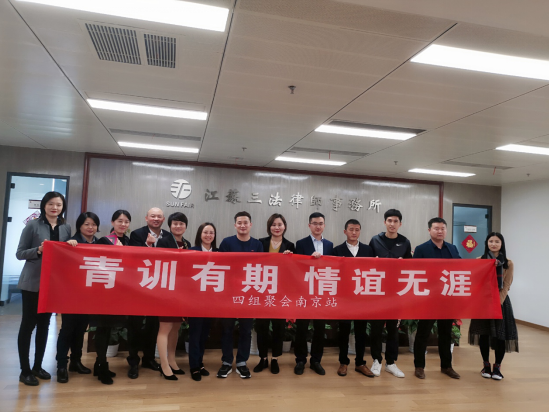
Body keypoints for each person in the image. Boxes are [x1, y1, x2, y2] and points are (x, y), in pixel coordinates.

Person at [16, 192, 72, 386]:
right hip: (32, 283)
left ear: (63, 207)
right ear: (44, 206)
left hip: (52, 284)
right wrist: (38, 250)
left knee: (44, 325)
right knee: (28, 325)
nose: (55, 208)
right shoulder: (32, 225)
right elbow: (19, 253)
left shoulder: (66, 227)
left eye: (58, 204)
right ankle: (25, 370)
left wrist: (71, 246)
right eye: (51, 204)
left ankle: (37, 366)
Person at [412, 217, 461, 380]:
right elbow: (415, 272)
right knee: (423, 333)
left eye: (442, 228)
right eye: (436, 228)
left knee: (445, 333)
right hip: (428, 298)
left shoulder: (452, 249)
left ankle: (447, 366)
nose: (440, 231)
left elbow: (462, 268)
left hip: (447, 298)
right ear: (429, 230)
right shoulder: (421, 249)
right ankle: (419, 366)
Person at [217, 211, 263, 379]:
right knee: (227, 329)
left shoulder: (257, 244)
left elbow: (261, 268)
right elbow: (220, 266)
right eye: (239, 222)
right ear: (235, 225)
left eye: (245, 222)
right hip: (229, 293)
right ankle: (227, 362)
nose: (242, 225)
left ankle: (242, 362)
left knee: (246, 330)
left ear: (250, 225)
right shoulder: (226, 242)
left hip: (249, 294)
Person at [56, 212, 100, 383]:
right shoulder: (72, 242)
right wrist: (68, 246)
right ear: (79, 226)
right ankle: (61, 365)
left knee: (81, 329)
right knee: (67, 329)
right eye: (86, 224)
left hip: (89, 295)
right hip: (71, 294)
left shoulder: (99, 244)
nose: (90, 228)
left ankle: (76, 361)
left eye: (93, 224)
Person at [368, 209, 412, 379]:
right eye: (389, 220)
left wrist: (403, 264)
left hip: (396, 292)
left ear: (400, 224)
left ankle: (391, 363)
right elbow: (366, 264)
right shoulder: (375, 240)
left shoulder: (405, 242)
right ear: (384, 222)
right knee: (376, 329)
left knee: (393, 329)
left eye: (395, 221)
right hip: (377, 291)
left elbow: (410, 268)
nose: (392, 224)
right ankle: (376, 360)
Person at [469, 232, 518, 380]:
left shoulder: (508, 263)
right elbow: (476, 282)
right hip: (483, 302)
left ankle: (497, 367)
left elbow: (507, 284)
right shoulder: (479, 260)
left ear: (502, 244)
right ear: (487, 243)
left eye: (497, 241)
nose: (494, 244)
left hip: (501, 302)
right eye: (491, 241)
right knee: (484, 334)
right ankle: (486, 365)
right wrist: (485, 300)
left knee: (500, 336)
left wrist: (497, 302)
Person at [126, 207, 169, 378]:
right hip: (139, 286)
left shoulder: (168, 236)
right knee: (135, 324)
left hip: (158, 287)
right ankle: (133, 361)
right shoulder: (137, 234)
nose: (156, 219)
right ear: (146, 218)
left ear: (163, 219)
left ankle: (149, 358)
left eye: (159, 216)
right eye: (153, 216)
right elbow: (133, 258)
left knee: (153, 324)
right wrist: (148, 245)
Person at [94, 209, 132, 384]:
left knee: (109, 328)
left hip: (120, 291)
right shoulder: (104, 241)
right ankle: (102, 366)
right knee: (102, 328)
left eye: (126, 221)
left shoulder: (129, 241)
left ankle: (99, 364)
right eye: (119, 221)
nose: (123, 224)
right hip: (105, 291)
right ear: (112, 222)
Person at [332, 219, 375, 378]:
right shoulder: (337, 250)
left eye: (357, 229)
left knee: (361, 332)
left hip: (362, 298)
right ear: (345, 231)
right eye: (351, 229)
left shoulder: (368, 250)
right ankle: (343, 362)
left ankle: (360, 363)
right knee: (343, 331)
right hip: (344, 297)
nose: (354, 232)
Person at [254, 214, 295, 375]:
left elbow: (294, 270)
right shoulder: (260, 243)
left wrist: (290, 258)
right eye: (273, 224)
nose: (277, 227)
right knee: (261, 326)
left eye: (280, 224)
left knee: (279, 327)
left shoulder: (290, 245)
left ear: (284, 226)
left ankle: (275, 359)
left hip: (280, 292)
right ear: (269, 227)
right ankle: (263, 358)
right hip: (262, 290)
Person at [294, 212, 334, 376]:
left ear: (324, 225)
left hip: (322, 292)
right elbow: (296, 266)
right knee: (301, 328)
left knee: (319, 328)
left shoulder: (330, 245)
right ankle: (300, 360)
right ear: (309, 225)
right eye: (315, 223)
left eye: (321, 223)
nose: (318, 226)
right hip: (304, 291)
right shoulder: (300, 243)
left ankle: (316, 360)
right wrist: (310, 260)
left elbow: (333, 267)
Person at [154, 212, 191, 381]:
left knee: (176, 327)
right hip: (166, 291)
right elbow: (159, 263)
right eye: (175, 223)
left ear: (185, 226)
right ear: (169, 226)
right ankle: (163, 365)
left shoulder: (187, 243)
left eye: (181, 223)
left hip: (181, 292)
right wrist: (176, 254)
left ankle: (172, 360)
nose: (178, 226)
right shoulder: (163, 241)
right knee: (165, 327)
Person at [188, 222, 218, 381]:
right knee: (195, 334)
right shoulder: (192, 251)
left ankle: (200, 363)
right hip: (195, 301)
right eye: (205, 232)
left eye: (211, 233)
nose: (208, 235)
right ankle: (193, 366)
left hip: (211, 301)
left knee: (204, 334)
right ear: (200, 234)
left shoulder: (219, 253)